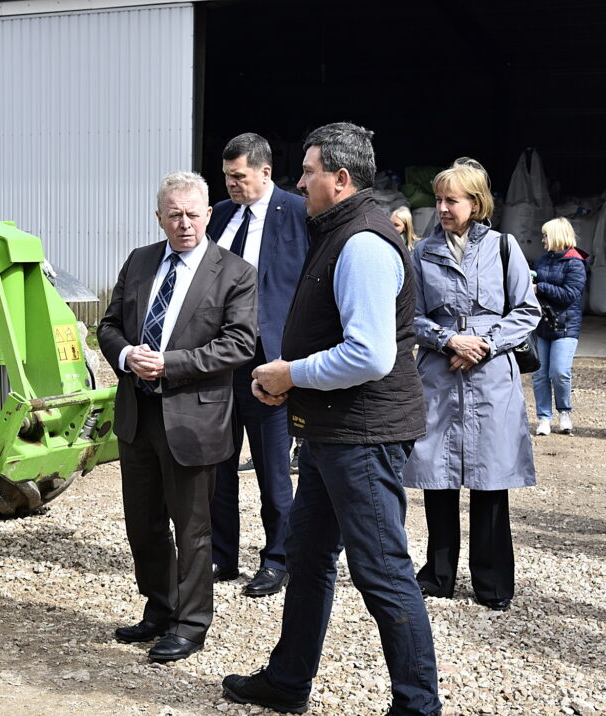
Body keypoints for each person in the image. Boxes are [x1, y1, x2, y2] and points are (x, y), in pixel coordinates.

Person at [222, 122, 441, 715]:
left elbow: (370, 355)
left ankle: (418, 706)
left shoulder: (363, 243)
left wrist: (290, 374)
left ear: (340, 179)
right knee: (308, 555)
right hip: (333, 432)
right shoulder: (339, 231)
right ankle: (288, 681)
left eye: (308, 171)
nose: (299, 182)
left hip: (361, 436)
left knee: (382, 570)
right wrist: (292, 387)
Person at [98, 171, 257, 662]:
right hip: (138, 413)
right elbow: (108, 326)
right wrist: (127, 356)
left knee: (192, 530)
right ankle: (160, 607)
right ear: (159, 217)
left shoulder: (235, 273)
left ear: (208, 215)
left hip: (193, 419)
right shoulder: (140, 261)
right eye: (174, 215)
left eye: (192, 214)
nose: (184, 223)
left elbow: (239, 344)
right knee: (143, 522)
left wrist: (170, 363)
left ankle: (191, 624)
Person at [403, 158, 540, 612]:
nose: (442, 208)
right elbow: (409, 316)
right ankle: (438, 575)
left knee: (490, 478)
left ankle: (493, 583)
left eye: (452, 200)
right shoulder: (422, 253)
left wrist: (484, 344)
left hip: (491, 374)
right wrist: (447, 339)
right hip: (440, 372)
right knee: (438, 476)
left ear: (476, 204)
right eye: (439, 199)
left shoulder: (503, 247)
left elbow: (527, 310)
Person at [207, 132, 309, 596]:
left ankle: (278, 558)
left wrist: (297, 361)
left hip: (270, 362)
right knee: (218, 464)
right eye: (227, 176)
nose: (231, 183)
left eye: (239, 176)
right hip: (218, 360)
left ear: (265, 172)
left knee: (272, 470)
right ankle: (220, 555)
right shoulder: (220, 215)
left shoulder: (298, 213)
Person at [532, 217, 589, 436]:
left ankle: (564, 412)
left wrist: (540, 287)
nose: (543, 239)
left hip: (566, 326)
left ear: (556, 236)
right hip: (542, 325)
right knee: (539, 374)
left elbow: (569, 295)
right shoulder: (542, 260)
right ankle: (544, 418)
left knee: (559, 372)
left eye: (545, 235)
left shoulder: (576, 264)